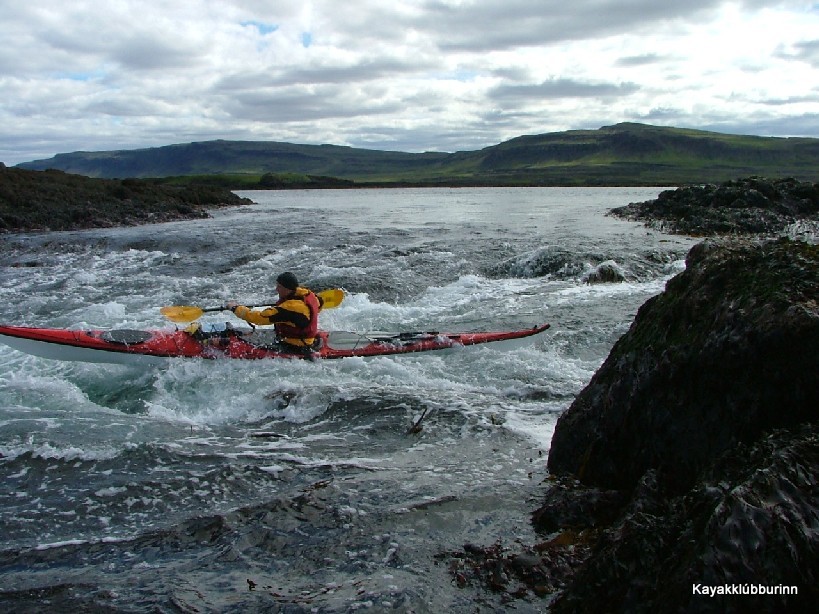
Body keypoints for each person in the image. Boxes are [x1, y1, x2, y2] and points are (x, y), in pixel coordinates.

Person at [225, 272, 323, 349]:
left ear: (287, 288)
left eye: (279, 287)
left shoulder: (291, 308)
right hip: (305, 339)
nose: (276, 289)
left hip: (296, 346)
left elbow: (258, 318)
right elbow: (320, 303)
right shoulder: (310, 296)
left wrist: (235, 308)